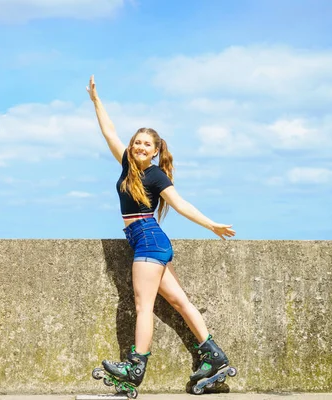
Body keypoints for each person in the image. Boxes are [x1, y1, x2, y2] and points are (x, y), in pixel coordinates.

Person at [86, 75, 236, 390]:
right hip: (147, 240)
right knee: (180, 301)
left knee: (144, 306)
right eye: (136, 142)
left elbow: (180, 204)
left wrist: (211, 225)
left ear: (155, 151)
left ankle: (134, 366)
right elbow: (109, 132)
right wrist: (96, 101)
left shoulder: (155, 176)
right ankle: (213, 354)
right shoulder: (128, 165)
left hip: (148, 241)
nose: (140, 147)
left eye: (146, 144)